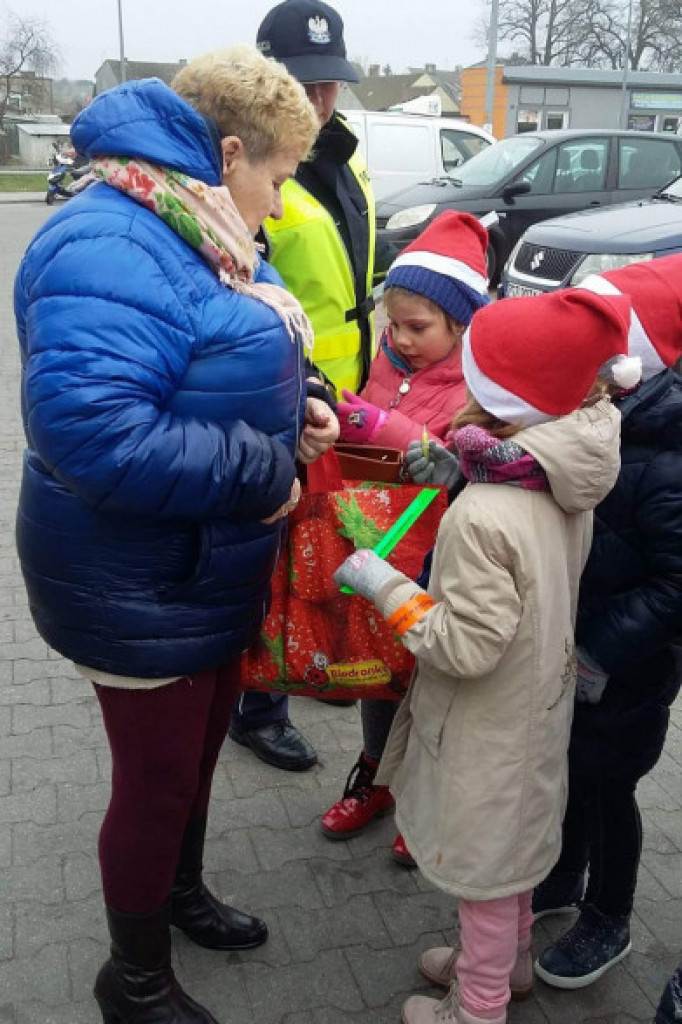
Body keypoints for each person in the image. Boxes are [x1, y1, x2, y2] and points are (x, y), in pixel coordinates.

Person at [14, 47, 330, 1024]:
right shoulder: (108, 241)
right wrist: (262, 466)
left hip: (202, 561)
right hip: (135, 576)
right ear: (229, 153)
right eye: (277, 178)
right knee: (153, 784)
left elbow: (225, 350)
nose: (278, 206)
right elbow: (92, 435)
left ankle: (178, 894)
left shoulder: (196, 225)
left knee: (191, 761)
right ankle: (133, 977)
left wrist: (303, 403)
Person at [334, 287, 641, 1024]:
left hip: (488, 718)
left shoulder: (485, 513)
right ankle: (504, 967)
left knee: (487, 872)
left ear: (497, 389)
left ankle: (477, 1006)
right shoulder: (556, 462)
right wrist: (462, 468)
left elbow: (464, 646)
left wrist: (383, 584)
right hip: (537, 699)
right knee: (514, 852)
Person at [230, 0, 378, 771]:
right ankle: (258, 706)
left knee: (329, 539)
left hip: (343, 393)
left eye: (331, 84)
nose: (321, 102)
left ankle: (313, 661)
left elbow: (357, 274)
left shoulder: (348, 157)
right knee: (276, 553)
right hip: (280, 392)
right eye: (304, 84)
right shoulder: (248, 168)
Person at [319, 210, 490, 867]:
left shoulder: (478, 386)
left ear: (462, 323)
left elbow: (481, 474)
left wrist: (450, 474)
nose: (401, 338)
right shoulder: (389, 360)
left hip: (435, 565)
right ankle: (376, 776)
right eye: (393, 323)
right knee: (373, 673)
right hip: (375, 543)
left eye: (418, 327)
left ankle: (420, 793)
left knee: (425, 683)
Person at [533, 256, 682, 990]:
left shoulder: (663, 458)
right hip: (573, 645)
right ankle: (562, 877)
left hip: (625, 666)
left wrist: (599, 650)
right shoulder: (595, 422)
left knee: (609, 785)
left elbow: (676, 583)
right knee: (569, 773)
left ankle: (610, 914)